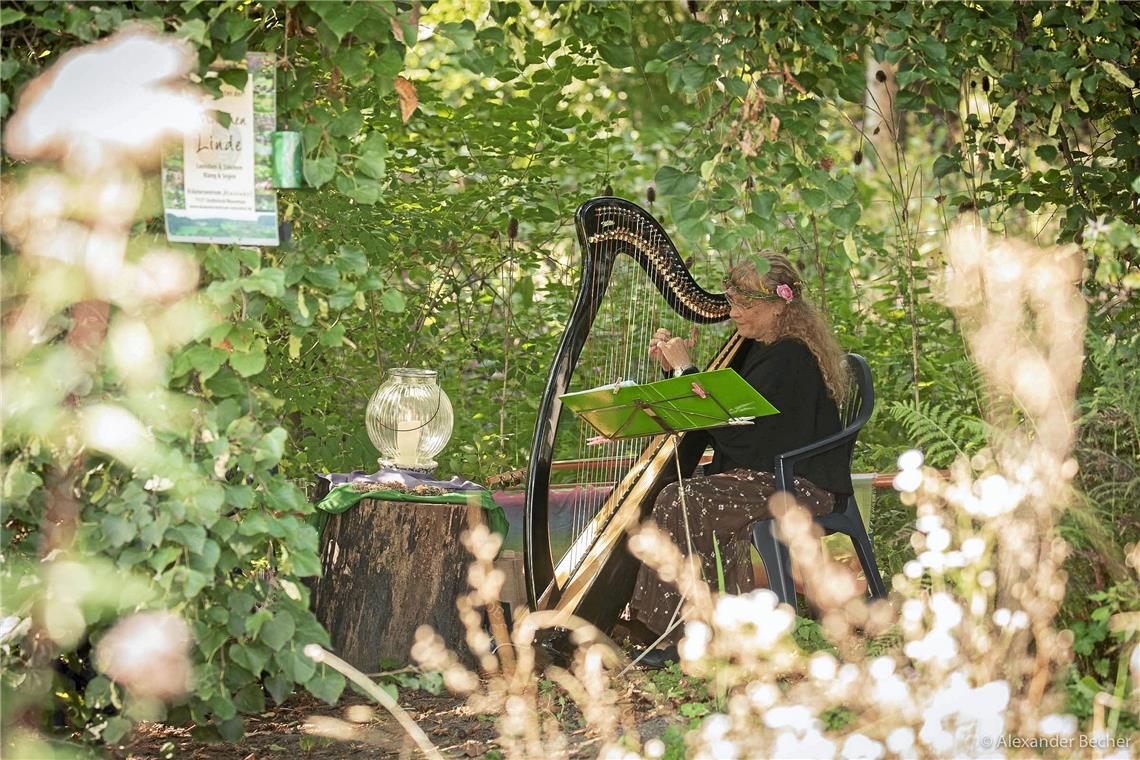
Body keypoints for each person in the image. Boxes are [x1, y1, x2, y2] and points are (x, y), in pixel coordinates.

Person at [627, 253, 853, 668]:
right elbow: (726, 421)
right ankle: (709, 629)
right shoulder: (760, 350)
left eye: (745, 306)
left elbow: (746, 432)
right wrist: (674, 373)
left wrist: (686, 371)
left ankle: (674, 634)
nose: (733, 314)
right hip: (769, 473)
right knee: (683, 493)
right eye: (732, 303)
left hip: (799, 483)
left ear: (780, 306)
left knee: (683, 498)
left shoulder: (790, 356)